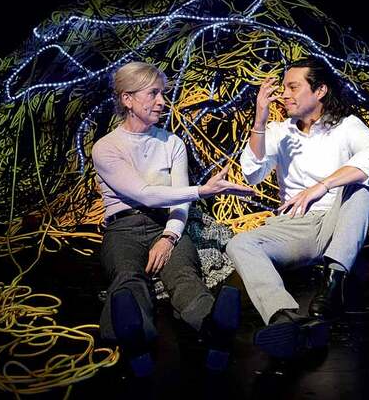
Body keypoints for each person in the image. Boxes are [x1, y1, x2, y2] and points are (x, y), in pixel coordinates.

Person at [225, 57, 369, 358]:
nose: (285, 94)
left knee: (365, 180)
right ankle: (283, 317)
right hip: (296, 226)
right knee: (240, 243)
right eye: (284, 87)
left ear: (320, 91)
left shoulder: (346, 127)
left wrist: (324, 185)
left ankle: (334, 283)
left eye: (293, 87)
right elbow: (252, 173)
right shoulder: (279, 132)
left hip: (337, 220)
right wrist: (260, 121)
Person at [92, 61, 254, 375]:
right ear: (128, 99)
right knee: (127, 275)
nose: (162, 102)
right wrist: (202, 190)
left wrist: (169, 237)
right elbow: (145, 193)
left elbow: (178, 203)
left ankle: (214, 329)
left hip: (162, 225)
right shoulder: (106, 147)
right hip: (122, 228)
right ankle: (135, 337)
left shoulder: (172, 143)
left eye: (162, 93)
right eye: (152, 93)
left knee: (184, 274)